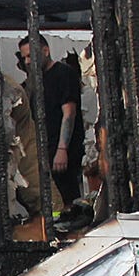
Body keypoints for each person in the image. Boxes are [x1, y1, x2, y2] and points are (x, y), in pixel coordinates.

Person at [16, 34, 84, 207]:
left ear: (45, 51)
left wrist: (62, 149)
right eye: (24, 57)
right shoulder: (33, 83)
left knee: (66, 199)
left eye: (31, 55)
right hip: (43, 152)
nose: (28, 61)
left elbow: (69, 112)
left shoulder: (63, 73)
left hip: (61, 152)